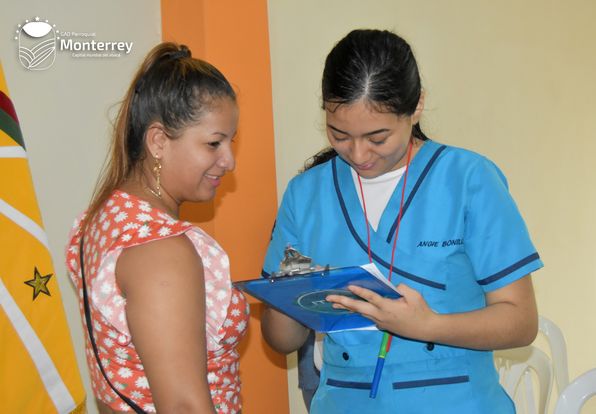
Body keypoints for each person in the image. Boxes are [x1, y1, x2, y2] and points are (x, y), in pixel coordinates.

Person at [261, 29, 541, 413]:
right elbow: (282, 341)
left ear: (417, 106)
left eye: (378, 138)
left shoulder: (469, 179)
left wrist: (427, 326)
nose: (359, 154)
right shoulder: (305, 193)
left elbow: (521, 321)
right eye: (339, 134)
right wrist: (288, 295)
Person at [65, 42, 248, 414]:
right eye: (214, 143)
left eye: (230, 142)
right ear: (159, 141)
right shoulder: (160, 249)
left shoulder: (103, 217)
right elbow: (183, 405)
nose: (229, 161)